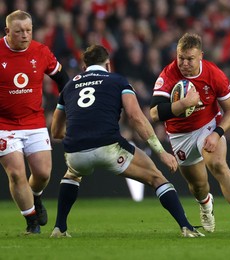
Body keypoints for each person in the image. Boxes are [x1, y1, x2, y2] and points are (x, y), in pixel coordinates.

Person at [50, 44, 203, 238]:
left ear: (84, 67)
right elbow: (135, 117)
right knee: (156, 178)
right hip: (109, 147)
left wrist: (79, 135)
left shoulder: (69, 86)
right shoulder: (117, 81)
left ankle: (59, 228)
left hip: (75, 151)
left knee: (72, 174)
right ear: (108, 65)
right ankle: (186, 227)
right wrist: (161, 152)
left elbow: (55, 131)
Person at [150, 33, 230, 234]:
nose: (184, 63)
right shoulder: (168, 75)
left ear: (201, 56)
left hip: (208, 126)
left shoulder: (214, 74)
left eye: (190, 59)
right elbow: (154, 113)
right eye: (180, 57)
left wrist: (217, 133)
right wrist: (183, 104)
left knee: (217, 164)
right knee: (198, 186)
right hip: (179, 135)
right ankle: (206, 204)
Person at [0, 10, 69, 234]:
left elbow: (62, 79)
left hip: (34, 122)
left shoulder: (41, 51)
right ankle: (31, 222)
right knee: (16, 173)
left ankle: (35, 198)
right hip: (4, 125)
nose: (25, 35)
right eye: (19, 31)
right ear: (7, 31)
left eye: (28, 30)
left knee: (42, 174)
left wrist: (64, 106)